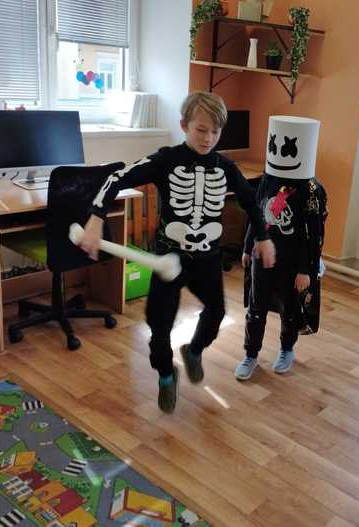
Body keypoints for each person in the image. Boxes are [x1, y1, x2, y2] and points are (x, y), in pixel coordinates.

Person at [79, 91, 275, 412]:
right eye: (201, 130)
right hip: (169, 261)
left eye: (215, 131)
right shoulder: (166, 160)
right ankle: (166, 375)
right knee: (159, 327)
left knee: (216, 313)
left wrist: (263, 238)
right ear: (184, 125)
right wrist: (95, 217)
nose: (208, 138)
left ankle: (193, 350)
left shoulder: (225, 167)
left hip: (207, 259)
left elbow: (251, 201)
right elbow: (116, 177)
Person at [236, 116, 327, 381]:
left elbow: (314, 235)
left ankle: (287, 349)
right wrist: (247, 247)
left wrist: (305, 270)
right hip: (262, 257)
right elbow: (256, 215)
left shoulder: (311, 190)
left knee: (290, 310)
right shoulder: (268, 179)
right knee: (256, 308)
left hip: (292, 262)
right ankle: (251, 354)